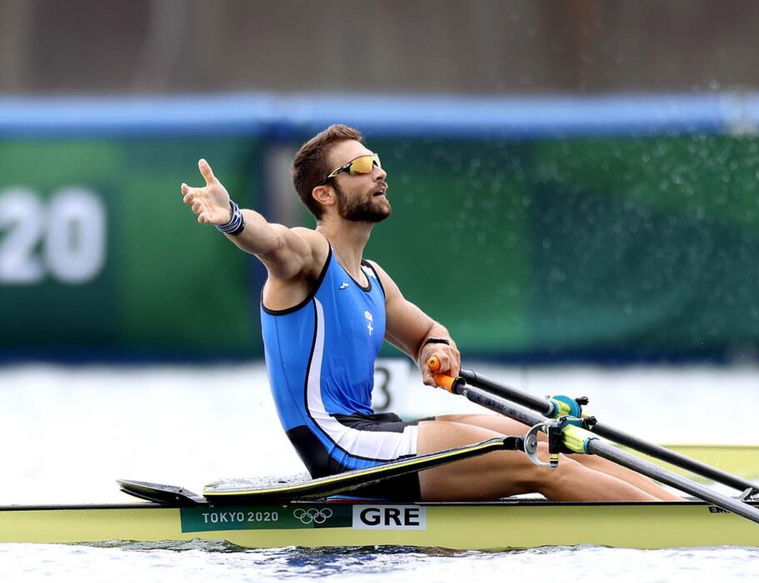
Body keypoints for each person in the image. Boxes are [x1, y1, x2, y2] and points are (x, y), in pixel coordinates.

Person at [180, 124, 678, 502]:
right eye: (358, 167)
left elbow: (426, 334)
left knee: (553, 436)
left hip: (375, 431)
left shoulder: (375, 279)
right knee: (535, 458)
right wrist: (233, 219)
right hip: (340, 449)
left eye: (375, 161)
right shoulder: (308, 255)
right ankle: (680, 529)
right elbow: (271, 240)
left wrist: (436, 350)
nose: (379, 172)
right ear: (324, 195)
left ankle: (688, 504)